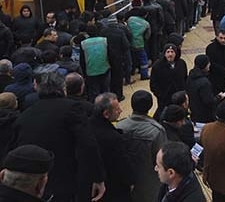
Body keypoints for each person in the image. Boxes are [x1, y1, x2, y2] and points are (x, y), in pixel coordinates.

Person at [9, 72, 105, 202]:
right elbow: (88, 144)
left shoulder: (25, 115)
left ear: (37, 88)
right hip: (65, 177)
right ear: (63, 88)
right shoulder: (72, 108)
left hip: (34, 181)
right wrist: (97, 177)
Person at [116, 90, 166, 202]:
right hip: (148, 182)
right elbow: (161, 160)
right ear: (150, 106)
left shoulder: (119, 127)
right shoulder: (156, 131)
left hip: (123, 181)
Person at [89, 92, 135, 202]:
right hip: (114, 186)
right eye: (117, 109)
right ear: (106, 114)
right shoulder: (114, 138)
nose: (121, 111)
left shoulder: (86, 125)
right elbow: (123, 164)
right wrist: (131, 180)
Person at [150, 44, 188, 120]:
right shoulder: (157, 66)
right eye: (168, 52)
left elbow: (185, 78)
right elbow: (153, 84)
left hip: (179, 98)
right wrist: (160, 95)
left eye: (172, 52)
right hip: (164, 99)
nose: (170, 54)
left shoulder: (181, 63)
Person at [186, 54, 221, 124]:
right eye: (208, 63)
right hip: (204, 115)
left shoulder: (190, 76)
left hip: (194, 111)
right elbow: (209, 101)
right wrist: (219, 97)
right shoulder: (204, 82)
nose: (209, 65)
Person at [205, 30, 225, 95]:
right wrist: (223, 70)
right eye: (221, 38)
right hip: (215, 78)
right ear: (216, 37)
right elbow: (211, 63)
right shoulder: (210, 48)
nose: (223, 40)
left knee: (224, 94)